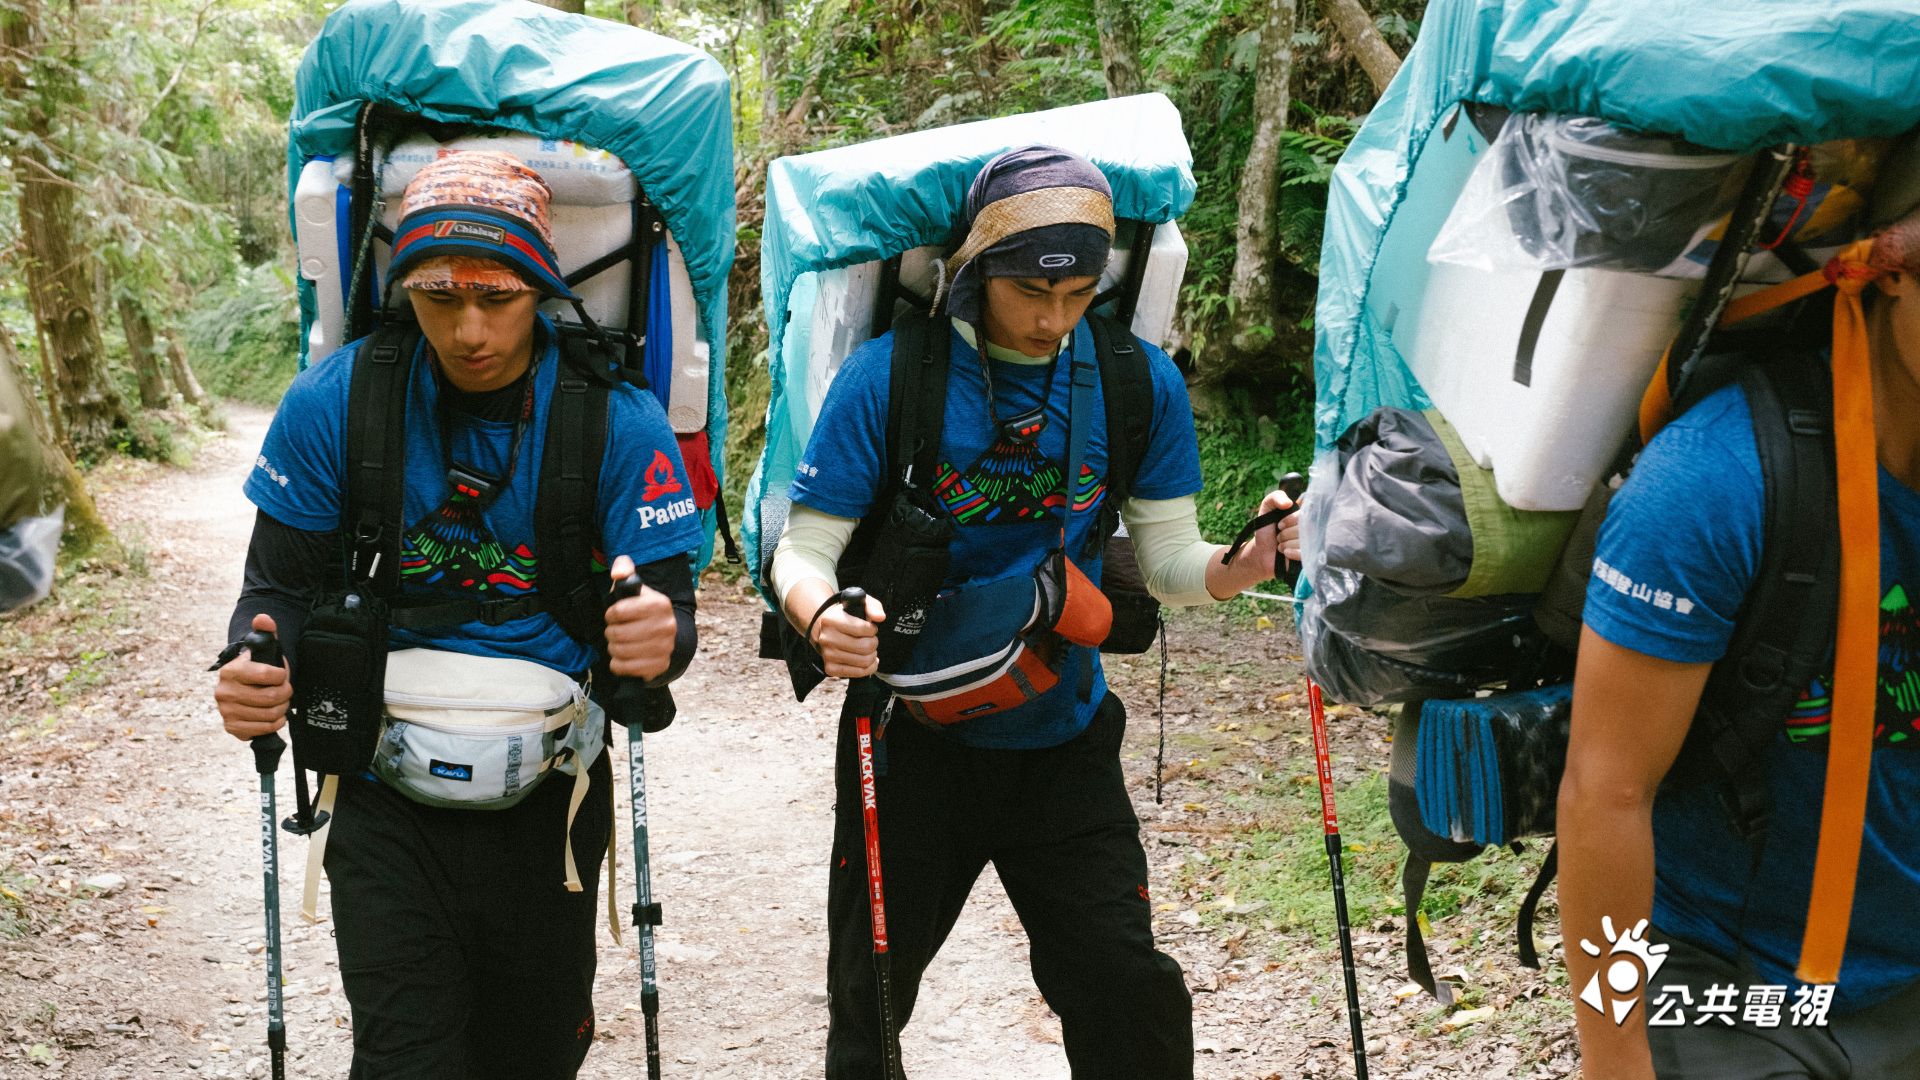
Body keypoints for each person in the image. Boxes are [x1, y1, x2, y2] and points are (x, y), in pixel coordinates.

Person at [769, 145, 1301, 1080]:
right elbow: (804, 549)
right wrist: (824, 617)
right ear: (974, 273)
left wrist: (1245, 562)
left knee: (1121, 985)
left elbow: (1173, 561)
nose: (1054, 319)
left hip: (1063, 738)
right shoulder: (890, 378)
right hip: (911, 740)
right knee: (871, 998)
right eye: (1029, 292)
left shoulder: (1139, 383)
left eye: (1079, 293)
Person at [211, 150, 701, 1079]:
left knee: (536, 1050)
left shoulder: (613, 419)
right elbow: (273, 589)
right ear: (406, 292)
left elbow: (667, 613)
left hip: (551, 802)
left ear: (542, 289)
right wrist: (252, 661)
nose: (470, 329)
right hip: (379, 792)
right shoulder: (337, 403)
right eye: (440, 298)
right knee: (404, 1057)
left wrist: (657, 640)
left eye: (499, 296)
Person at [1559, 151, 1920, 1080]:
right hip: (1738, 989)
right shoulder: (1715, 482)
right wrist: (1614, 1062)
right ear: (1887, 265)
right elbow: (1606, 793)